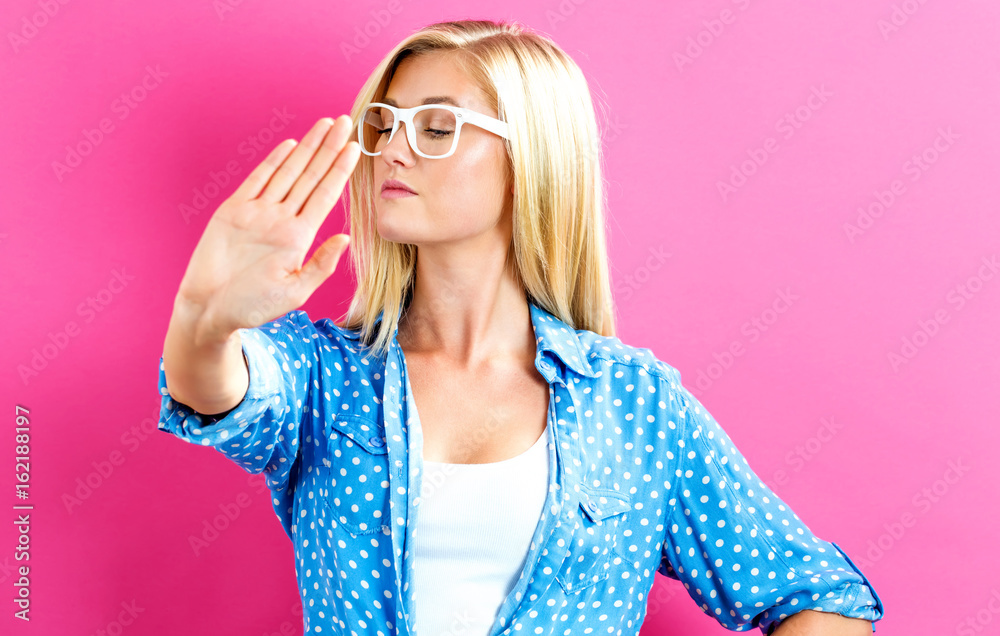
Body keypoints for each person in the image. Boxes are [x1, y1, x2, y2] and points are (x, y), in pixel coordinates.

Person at [157, 19, 885, 636]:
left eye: (437, 126)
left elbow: (820, 596)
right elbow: (218, 389)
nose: (394, 149)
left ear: (533, 159)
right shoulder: (320, 373)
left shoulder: (634, 404)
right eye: (385, 123)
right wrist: (203, 317)